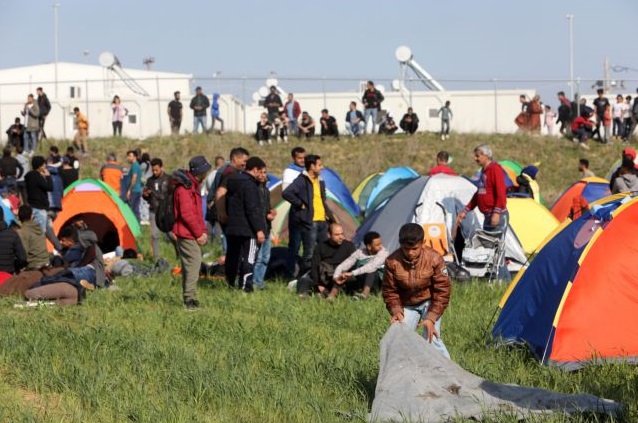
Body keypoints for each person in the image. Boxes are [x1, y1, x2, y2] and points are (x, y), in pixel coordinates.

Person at [382, 223, 451, 358]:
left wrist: (431, 318)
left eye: (414, 248)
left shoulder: (435, 258)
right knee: (399, 339)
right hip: (407, 305)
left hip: (430, 303)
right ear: (400, 244)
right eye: (406, 248)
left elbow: (442, 291)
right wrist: (396, 311)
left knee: (432, 338)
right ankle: (406, 375)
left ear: (423, 243)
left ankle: (449, 374)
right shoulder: (392, 262)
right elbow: (390, 291)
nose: (410, 253)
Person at [456, 145, 509, 280]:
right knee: (489, 249)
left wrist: (497, 212)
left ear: (486, 156)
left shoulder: (495, 170)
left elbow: (501, 192)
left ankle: (504, 280)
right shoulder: (484, 172)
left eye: (478, 155)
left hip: (496, 215)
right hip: (488, 216)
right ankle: (493, 278)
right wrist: (466, 210)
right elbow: (478, 194)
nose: (475, 158)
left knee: (497, 249)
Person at [282, 154, 335, 287]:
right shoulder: (302, 180)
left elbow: (323, 201)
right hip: (310, 222)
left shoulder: (320, 181)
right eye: (319, 165)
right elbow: (287, 193)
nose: (322, 167)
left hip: (322, 221)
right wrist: (300, 204)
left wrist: (332, 219)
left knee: (324, 251)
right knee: (309, 253)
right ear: (312, 166)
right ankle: (302, 281)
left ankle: (321, 280)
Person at [224, 156, 268, 292]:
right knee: (249, 258)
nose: (262, 175)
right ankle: (245, 287)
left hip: (232, 227)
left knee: (232, 256)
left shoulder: (232, 181)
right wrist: (259, 229)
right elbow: (252, 209)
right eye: (261, 171)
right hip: (248, 229)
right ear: (255, 169)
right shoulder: (250, 185)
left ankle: (230, 284)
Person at [173, 156, 211, 309]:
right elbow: (187, 214)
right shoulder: (184, 189)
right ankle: (190, 300)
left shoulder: (192, 185)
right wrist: (198, 234)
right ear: (200, 172)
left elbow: (197, 213)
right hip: (186, 233)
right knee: (194, 265)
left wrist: (203, 231)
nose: (207, 173)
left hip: (191, 232)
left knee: (191, 265)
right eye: (205, 171)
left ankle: (189, 298)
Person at [294, 223, 355, 300]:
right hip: (323, 276)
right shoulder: (320, 246)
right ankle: (304, 296)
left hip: (341, 276)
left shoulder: (349, 246)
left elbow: (353, 265)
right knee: (305, 279)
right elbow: (314, 266)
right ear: (329, 235)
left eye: (342, 234)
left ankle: (329, 294)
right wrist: (318, 284)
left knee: (346, 279)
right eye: (337, 235)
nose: (341, 237)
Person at [333, 230, 388, 300]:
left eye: (380, 243)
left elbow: (372, 266)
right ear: (369, 247)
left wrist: (352, 273)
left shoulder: (383, 252)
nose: (380, 246)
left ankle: (364, 294)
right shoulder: (360, 253)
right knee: (343, 276)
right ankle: (331, 296)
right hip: (361, 280)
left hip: (377, 282)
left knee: (371, 271)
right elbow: (344, 264)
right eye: (377, 245)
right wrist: (336, 276)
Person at [24, 155, 60, 251]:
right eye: (43, 164)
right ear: (40, 166)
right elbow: (49, 187)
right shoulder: (36, 176)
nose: (45, 166)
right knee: (41, 234)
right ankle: (41, 256)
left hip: (35, 207)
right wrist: (48, 176)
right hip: (40, 208)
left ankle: (61, 250)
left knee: (49, 233)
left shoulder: (29, 176)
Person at [143, 158, 176, 260]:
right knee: (154, 235)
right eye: (153, 170)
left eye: (156, 170)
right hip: (154, 210)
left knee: (172, 234)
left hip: (167, 211)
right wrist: (145, 195)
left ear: (162, 168)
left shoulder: (169, 179)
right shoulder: (150, 181)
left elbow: (174, 194)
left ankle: (179, 251)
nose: (154, 172)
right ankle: (156, 259)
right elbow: (145, 196)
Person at [252, 162, 276, 290]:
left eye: (264, 172)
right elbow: (255, 210)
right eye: (260, 172)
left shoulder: (265, 190)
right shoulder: (254, 189)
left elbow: (266, 208)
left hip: (267, 228)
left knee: (266, 257)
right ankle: (254, 283)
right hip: (259, 228)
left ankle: (259, 281)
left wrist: (271, 211)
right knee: (258, 257)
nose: (262, 175)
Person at [282, 147, 306, 263]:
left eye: (304, 158)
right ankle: (291, 270)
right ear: (293, 158)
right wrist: (300, 203)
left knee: (309, 243)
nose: (302, 160)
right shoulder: (289, 171)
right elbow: (286, 191)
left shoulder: (308, 170)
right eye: (299, 158)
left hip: (309, 213)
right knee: (295, 244)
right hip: (297, 211)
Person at [16, 205, 49, 271]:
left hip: (33, 265)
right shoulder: (39, 228)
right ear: (32, 216)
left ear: (19, 217)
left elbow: (23, 254)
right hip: (46, 261)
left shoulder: (23, 231)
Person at [0, 207, 26, 275]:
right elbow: (23, 259)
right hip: (8, 275)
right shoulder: (13, 234)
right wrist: (14, 266)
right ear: (4, 217)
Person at [125, 150, 143, 223]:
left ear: (134, 157)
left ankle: (135, 225)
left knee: (133, 209)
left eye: (129, 156)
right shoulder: (137, 165)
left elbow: (134, 177)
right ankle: (137, 225)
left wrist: (129, 190)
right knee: (135, 208)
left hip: (134, 190)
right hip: (137, 189)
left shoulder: (135, 166)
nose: (128, 158)